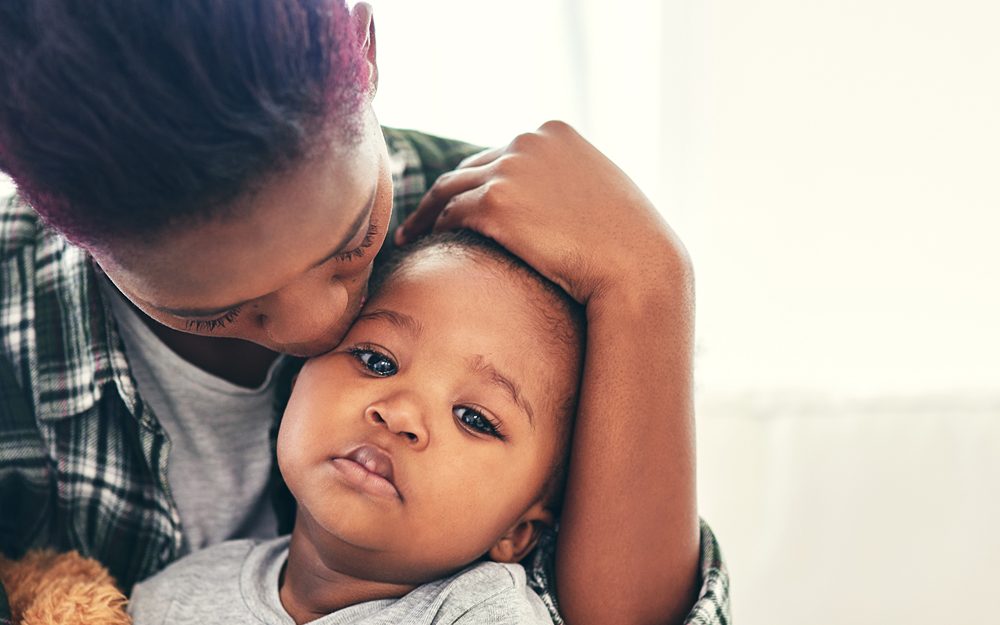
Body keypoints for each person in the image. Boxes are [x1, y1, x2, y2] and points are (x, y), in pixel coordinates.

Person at [0, 1, 728, 624]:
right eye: (219, 309)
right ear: (59, 223)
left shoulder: (520, 262)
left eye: (352, 244)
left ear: (366, 45)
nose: (319, 330)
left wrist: (651, 281)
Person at [128, 231, 584, 625]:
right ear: (295, 384)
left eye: (474, 419)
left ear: (517, 533)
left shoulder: (483, 614)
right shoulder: (174, 595)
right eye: (377, 361)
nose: (400, 414)